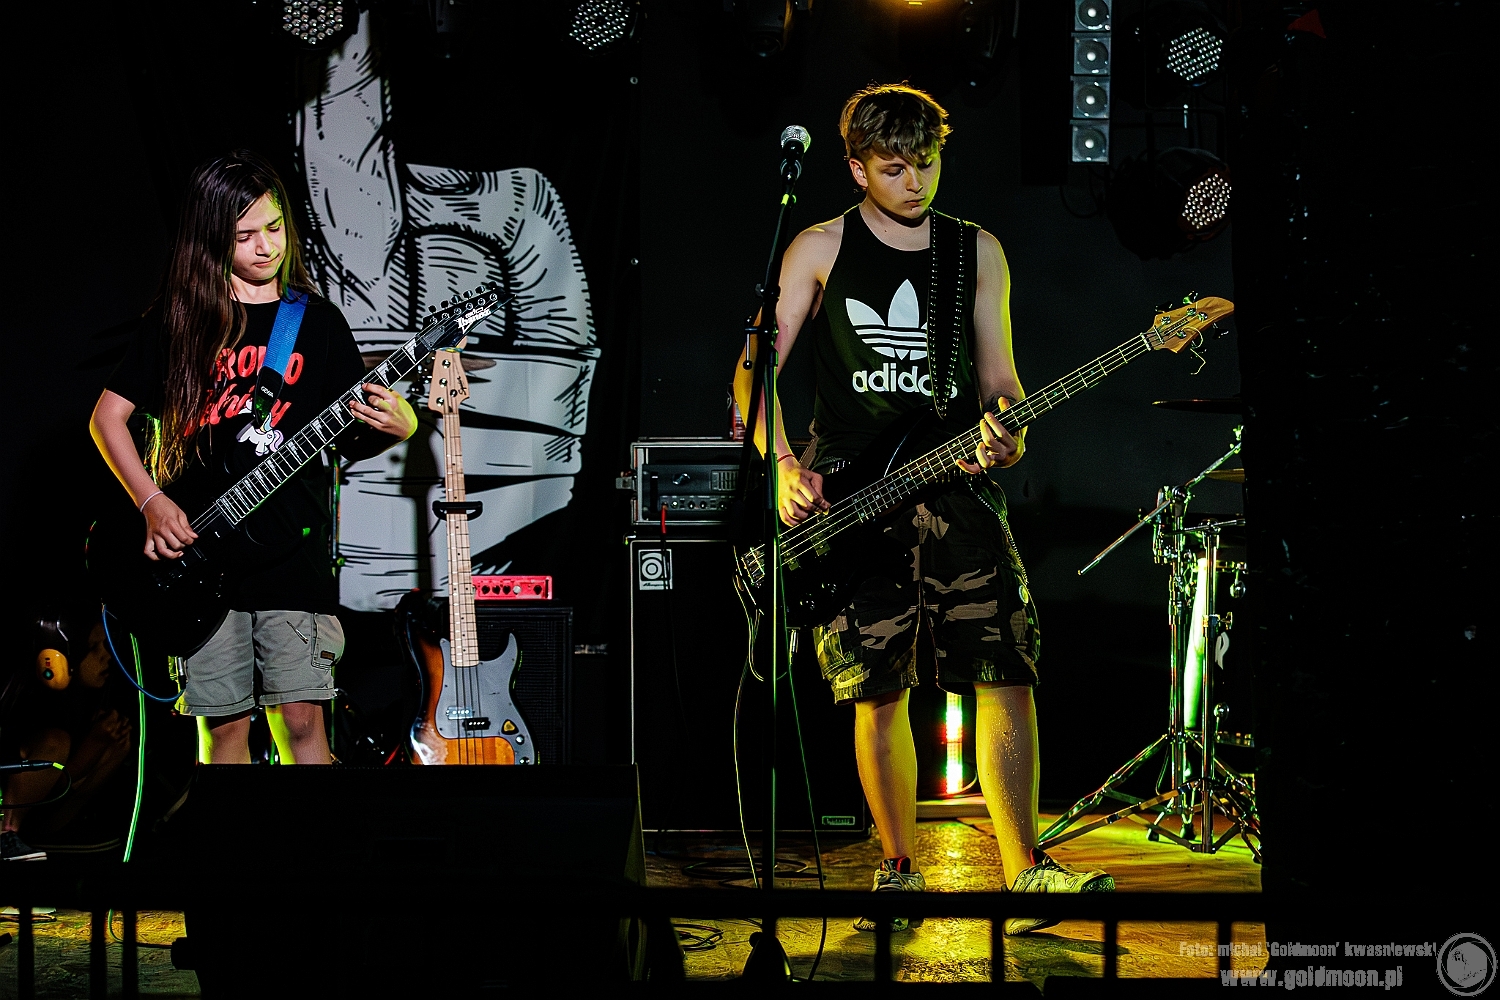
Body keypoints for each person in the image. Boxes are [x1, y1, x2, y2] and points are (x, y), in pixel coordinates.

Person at [733, 84, 1113, 934]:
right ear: (856, 167)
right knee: (876, 687)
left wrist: (1008, 433)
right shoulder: (819, 247)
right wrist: (784, 466)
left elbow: (1000, 381)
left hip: (955, 489)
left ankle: (1027, 870)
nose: (915, 183)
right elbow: (753, 371)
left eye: (927, 164)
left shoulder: (975, 251)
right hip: (850, 500)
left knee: (1005, 668)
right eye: (894, 168)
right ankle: (898, 869)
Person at [89, 150, 416, 766]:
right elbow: (107, 419)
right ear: (212, 237)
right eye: (244, 235)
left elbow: (348, 433)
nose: (266, 247)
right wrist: (152, 502)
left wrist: (401, 426)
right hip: (200, 553)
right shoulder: (182, 320)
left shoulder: (316, 322)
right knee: (225, 728)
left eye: (275, 227)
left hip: (291, 550)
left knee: (302, 719)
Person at [1, 619, 134, 861]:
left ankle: (31, 840)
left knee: (117, 746)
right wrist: (91, 749)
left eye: (105, 645)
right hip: (16, 813)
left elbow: (61, 804)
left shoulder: (88, 705)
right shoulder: (29, 707)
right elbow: (53, 784)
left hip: (47, 825)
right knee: (55, 743)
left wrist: (104, 751)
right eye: (93, 647)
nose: (106, 656)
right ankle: (4, 835)